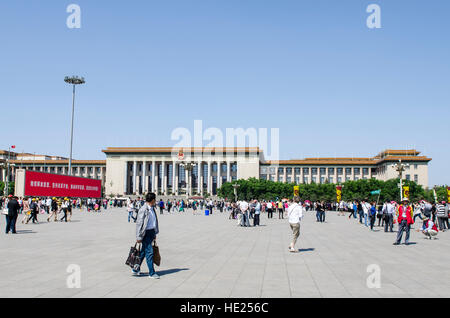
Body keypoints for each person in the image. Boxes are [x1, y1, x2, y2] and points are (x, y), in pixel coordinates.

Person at [133, 193, 160, 279]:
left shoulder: (152, 208)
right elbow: (139, 223)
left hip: (151, 232)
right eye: (155, 199)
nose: (155, 201)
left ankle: (135, 268)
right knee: (150, 252)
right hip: (145, 233)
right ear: (152, 200)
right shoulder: (143, 209)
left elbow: (153, 221)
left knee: (144, 252)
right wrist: (138, 237)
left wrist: (154, 233)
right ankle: (151, 273)